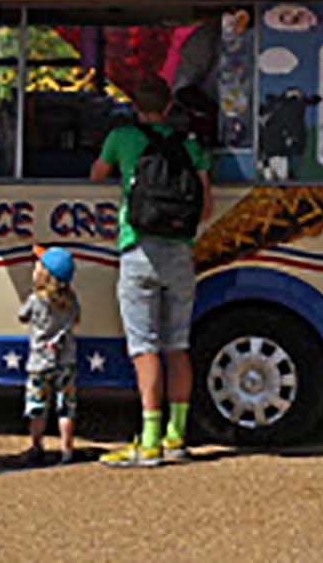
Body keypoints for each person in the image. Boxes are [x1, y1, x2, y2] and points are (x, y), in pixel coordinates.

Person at [91, 78, 212, 467]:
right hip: (180, 254)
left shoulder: (122, 137)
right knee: (178, 345)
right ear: (169, 105)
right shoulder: (191, 145)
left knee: (145, 348)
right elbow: (205, 207)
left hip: (138, 248)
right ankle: (176, 437)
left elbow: (97, 174)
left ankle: (148, 440)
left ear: (134, 105)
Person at [18, 245, 81, 467]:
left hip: (39, 363)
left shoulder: (36, 300)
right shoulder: (71, 300)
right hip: (66, 362)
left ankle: (37, 445)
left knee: (37, 406)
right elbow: (76, 319)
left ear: (45, 274)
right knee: (66, 407)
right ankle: (67, 449)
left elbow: (22, 316)